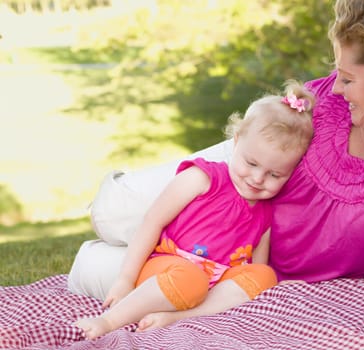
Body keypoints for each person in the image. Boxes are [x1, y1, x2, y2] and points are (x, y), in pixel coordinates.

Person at [69, 0, 364, 338]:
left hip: (241, 264)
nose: (334, 88)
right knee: (112, 212)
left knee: (92, 269)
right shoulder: (328, 103)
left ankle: (122, 261)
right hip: (238, 178)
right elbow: (270, 135)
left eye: (346, 78)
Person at [73, 80, 315, 340]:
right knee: (190, 279)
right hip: (170, 269)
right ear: (236, 141)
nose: (257, 178)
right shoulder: (203, 178)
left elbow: (255, 270)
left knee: (264, 274)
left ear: (290, 173)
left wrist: (271, 287)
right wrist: (125, 279)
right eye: (251, 163)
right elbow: (152, 222)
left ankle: (180, 317)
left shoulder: (264, 213)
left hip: (215, 287)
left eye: (274, 174)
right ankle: (109, 321)